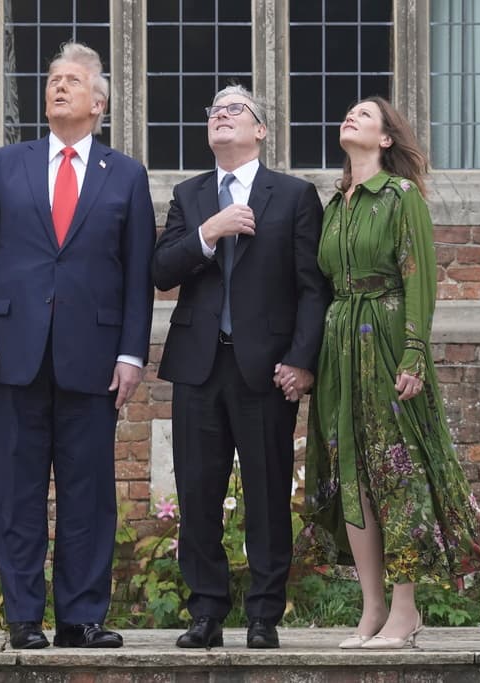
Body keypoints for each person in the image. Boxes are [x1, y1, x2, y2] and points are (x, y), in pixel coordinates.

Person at [0, 42, 155, 650]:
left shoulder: (125, 174)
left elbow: (137, 271)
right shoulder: (5, 164)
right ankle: (23, 617)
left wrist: (131, 354)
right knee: (17, 492)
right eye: (52, 80)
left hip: (92, 358)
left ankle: (82, 616)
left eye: (72, 81)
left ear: (99, 102)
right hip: (12, 352)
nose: (58, 88)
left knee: (88, 491)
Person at [301, 96, 480, 650]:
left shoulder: (400, 196)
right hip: (340, 342)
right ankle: (370, 609)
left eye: (364, 115)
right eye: (347, 112)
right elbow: (321, 283)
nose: (350, 117)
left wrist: (415, 353)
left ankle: (405, 608)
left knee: (396, 471)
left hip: (388, 336)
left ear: (387, 139)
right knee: (351, 473)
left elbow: (419, 279)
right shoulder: (335, 203)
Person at [153, 85, 332, 649]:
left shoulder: (296, 195)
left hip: (266, 369)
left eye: (235, 110)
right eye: (213, 112)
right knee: (199, 492)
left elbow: (313, 289)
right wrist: (210, 231)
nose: (221, 117)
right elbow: (161, 270)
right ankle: (205, 611)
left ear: (260, 130)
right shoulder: (190, 194)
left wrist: (302, 360)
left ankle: (263, 614)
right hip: (199, 366)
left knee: (267, 492)